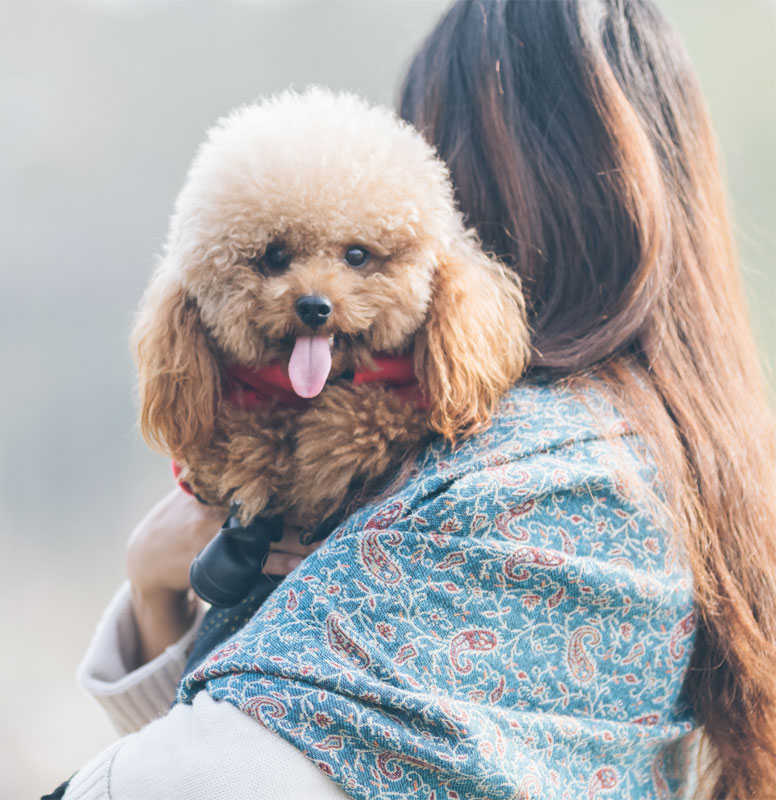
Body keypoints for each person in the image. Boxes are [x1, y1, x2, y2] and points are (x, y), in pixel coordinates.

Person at [59, 1, 776, 797]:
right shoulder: (674, 458)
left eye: (434, 149)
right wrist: (154, 594)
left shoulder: (540, 478)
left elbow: (222, 768)